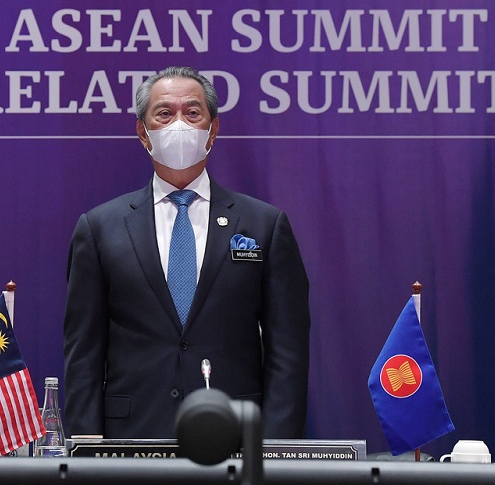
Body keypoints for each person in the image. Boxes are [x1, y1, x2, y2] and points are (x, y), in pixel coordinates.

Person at [63, 66, 310, 439]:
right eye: (164, 113)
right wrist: (85, 452)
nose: (179, 123)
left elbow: (288, 353)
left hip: (236, 437)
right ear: (142, 133)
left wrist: (275, 452)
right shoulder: (99, 228)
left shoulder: (264, 225)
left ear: (213, 130)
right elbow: (82, 357)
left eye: (192, 112)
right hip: (132, 441)